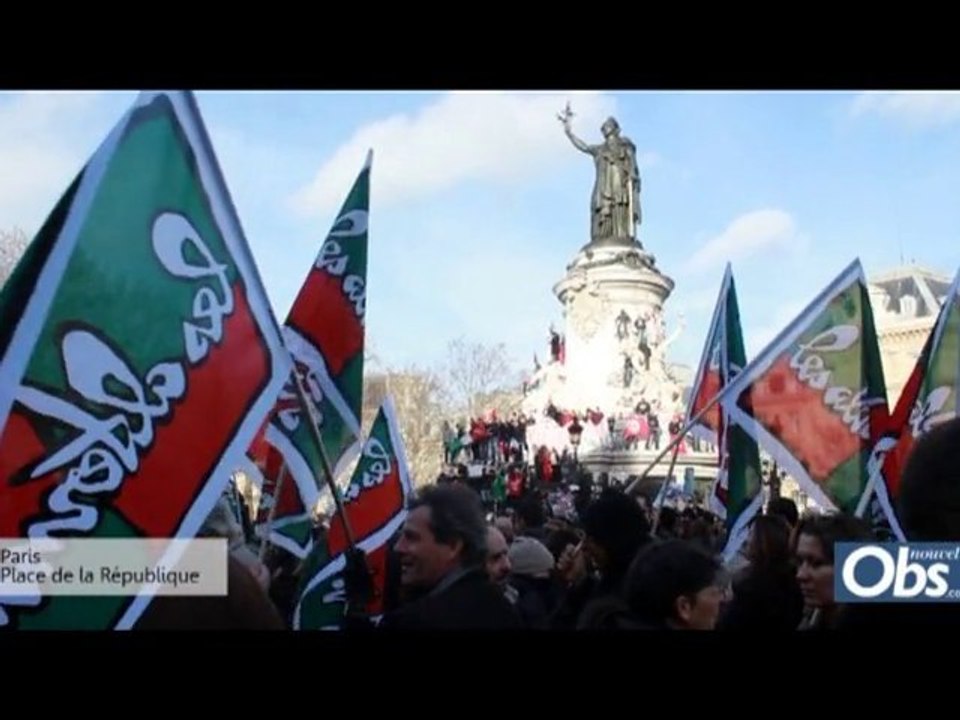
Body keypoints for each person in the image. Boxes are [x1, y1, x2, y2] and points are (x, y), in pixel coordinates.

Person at [379, 485, 521, 630]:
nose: (398, 547)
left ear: (453, 546)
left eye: (411, 537)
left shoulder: (415, 623)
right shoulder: (503, 608)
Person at [559, 105, 641, 245]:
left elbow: (633, 166)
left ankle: (622, 237)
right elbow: (584, 147)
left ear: (616, 129)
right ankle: (602, 238)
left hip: (619, 186)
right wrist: (569, 133)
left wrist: (632, 174)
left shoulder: (626, 146)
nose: (605, 128)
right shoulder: (600, 149)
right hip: (603, 188)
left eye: (609, 125)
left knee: (620, 208)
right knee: (600, 213)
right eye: (604, 127)